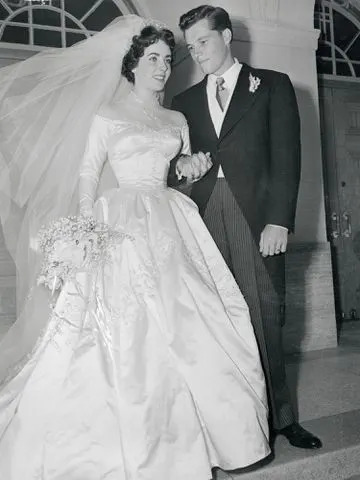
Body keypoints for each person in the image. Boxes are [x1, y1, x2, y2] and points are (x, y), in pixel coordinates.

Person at [0, 15, 270, 479]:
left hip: (170, 220)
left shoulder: (176, 118)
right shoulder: (107, 116)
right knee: (123, 328)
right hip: (119, 220)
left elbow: (176, 173)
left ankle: (206, 437)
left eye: (167, 59)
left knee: (192, 317)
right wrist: (86, 228)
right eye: (153, 59)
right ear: (132, 65)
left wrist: (191, 166)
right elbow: (88, 172)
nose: (163, 67)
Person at [170, 5, 322, 450]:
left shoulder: (272, 85)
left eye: (203, 41)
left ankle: (283, 418)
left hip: (256, 218)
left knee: (264, 313)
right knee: (217, 319)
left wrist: (280, 219)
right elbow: (175, 172)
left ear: (227, 35)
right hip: (203, 217)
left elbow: (287, 156)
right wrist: (186, 168)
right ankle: (235, 421)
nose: (197, 53)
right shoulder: (184, 103)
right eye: (191, 46)